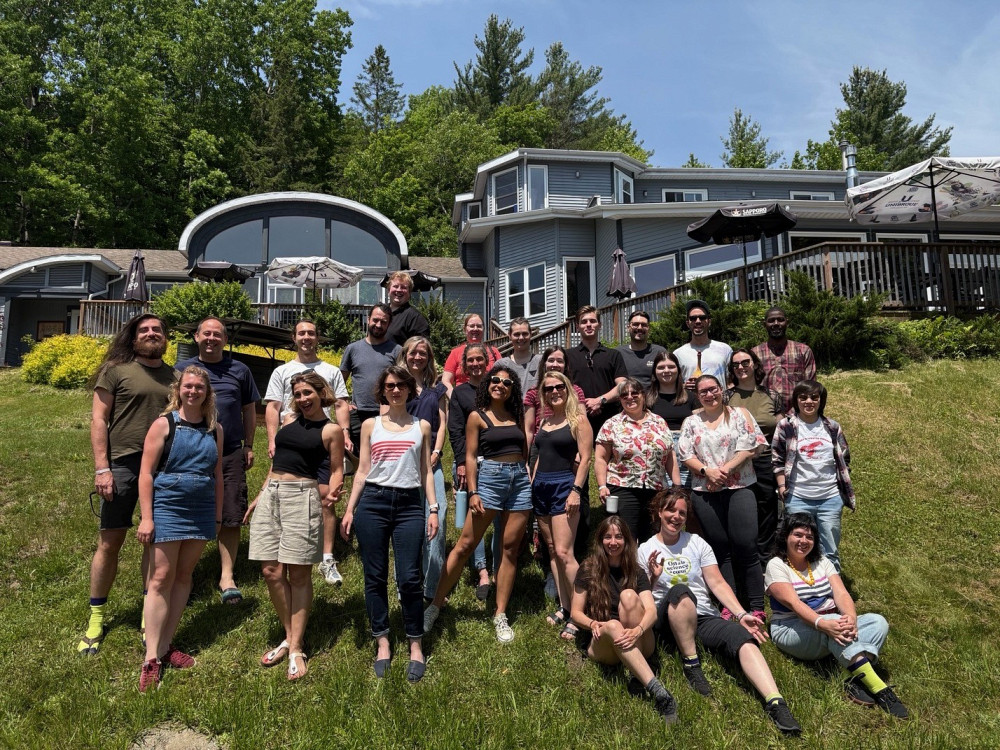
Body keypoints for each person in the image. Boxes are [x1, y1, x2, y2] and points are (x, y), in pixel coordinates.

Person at [638, 491, 802, 735]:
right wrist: (654, 577)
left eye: (682, 512)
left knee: (743, 639)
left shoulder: (696, 543)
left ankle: (775, 701)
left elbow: (717, 583)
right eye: (671, 510)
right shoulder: (645, 549)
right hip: (666, 620)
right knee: (680, 592)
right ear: (659, 512)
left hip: (702, 615)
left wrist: (740, 613)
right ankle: (692, 663)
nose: (676, 516)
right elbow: (643, 598)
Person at [78, 313, 175, 656]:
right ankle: (96, 615)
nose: (151, 334)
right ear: (133, 339)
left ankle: (149, 615)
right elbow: (99, 419)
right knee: (110, 542)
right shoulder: (116, 370)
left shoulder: (175, 378)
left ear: (165, 338)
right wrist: (102, 468)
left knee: (154, 543)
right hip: (121, 466)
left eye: (157, 330)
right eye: (144, 330)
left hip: (163, 469)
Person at [340, 366, 438, 682]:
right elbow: (362, 470)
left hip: (410, 504)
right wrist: (350, 509)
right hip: (374, 503)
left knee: (409, 577)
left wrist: (433, 509)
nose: (395, 390)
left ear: (410, 390)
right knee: (375, 575)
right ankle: (382, 640)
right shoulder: (370, 425)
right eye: (389, 385)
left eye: (401, 385)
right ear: (383, 390)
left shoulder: (421, 426)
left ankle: (415, 643)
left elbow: (425, 471)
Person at [246, 371, 344, 681]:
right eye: (298, 394)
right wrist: (260, 495)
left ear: (320, 393)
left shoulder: (331, 430)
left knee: (298, 572)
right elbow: (276, 463)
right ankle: (289, 636)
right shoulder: (288, 423)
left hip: (303, 496)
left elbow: (338, 469)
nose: (302, 399)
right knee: (271, 571)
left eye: (307, 393)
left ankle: (297, 647)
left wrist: (334, 492)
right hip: (272, 494)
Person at [424, 363, 532, 643]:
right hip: (490, 480)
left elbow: (524, 450)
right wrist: (473, 491)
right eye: (495, 380)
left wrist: (526, 474)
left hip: (519, 481)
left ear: (512, 390)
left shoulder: (516, 415)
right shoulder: (477, 415)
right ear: (487, 384)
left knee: (509, 548)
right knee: (465, 544)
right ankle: (436, 603)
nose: (500, 385)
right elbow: (470, 456)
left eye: (507, 383)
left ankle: (500, 614)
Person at [765, 514, 908, 718]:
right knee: (834, 622)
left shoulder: (822, 561)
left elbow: (841, 592)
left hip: (829, 624)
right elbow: (794, 604)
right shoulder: (776, 565)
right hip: (791, 629)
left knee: (878, 622)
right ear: (786, 536)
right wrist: (823, 623)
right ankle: (881, 690)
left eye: (809, 537)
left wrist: (850, 616)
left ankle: (850, 675)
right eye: (798, 535)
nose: (803, 541)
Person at [135, 366, 224, 691]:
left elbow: (217, 477)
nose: (193, 391)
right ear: (179, 389)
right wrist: (147, 517)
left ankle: (167, 645)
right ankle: (151, 658)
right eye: (188, 386)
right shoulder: (164, 424)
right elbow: (146, 473)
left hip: (201, 509)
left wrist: (216, 517)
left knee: (184, 577)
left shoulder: (215, 429)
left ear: (207, 392)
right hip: (168, 507)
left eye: (199, 387)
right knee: (160, 578)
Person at [176, 317, 259, 605]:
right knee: (187, 509)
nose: (211, 338)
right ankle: (184, 574)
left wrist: (249, 444)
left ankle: (226, 575)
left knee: (231, 511)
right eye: (206, 333)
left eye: (217, 334)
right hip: (189, 449)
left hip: (230, 451)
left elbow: (249, 409)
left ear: (225, 340)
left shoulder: (240, 370)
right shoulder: (180, 371)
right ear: (197, 337)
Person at [264, 319, 350, 587]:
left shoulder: (331, 370)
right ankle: (290, 547)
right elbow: (273, 406)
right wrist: (271, 439)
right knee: (289, 496)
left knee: (326, 498)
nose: (306, 337)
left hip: (323, 440)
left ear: (317, 338)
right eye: (301, 333)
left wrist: (344, 432)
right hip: (294, 441)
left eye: (311, 333)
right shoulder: (282, 371)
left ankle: (326, 557)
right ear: (294, 337)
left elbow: (341, 403)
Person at [570, 516, 678, 725]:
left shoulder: (636, 571)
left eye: (619, 537)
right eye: (608, 537)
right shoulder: (588, 568)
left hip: (636, 638)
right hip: (604, 641)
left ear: (627, 540)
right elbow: (575, 613)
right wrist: (593, 624)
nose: (613, 542)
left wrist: (637, 630)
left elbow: (651, 611)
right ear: (600, 540)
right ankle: (660, 693)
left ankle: (636, 669)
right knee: (612, 625)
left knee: (629, 596)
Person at [677, 375, 767, 620]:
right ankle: (730, 605)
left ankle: (757, 605)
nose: (709, 394)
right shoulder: (691, 421)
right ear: (697, 395)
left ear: (721, 390)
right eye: (703, 391)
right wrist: (708, 471)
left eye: (713, 389)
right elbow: (685, 455)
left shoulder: (740, 414)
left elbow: (753, 445)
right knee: (720, 550)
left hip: (740, 487)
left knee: (746, 545)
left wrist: (725, 469)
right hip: (705, 491)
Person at [531, 371, 593, 640]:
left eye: (559, 387)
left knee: (567, 554)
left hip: (563, 487)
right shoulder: (544, 421)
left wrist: (576, 491)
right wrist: (532, 483)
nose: (554, 392)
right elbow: (539, 456)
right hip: (541, 487)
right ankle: (564, 605)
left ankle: (581, 612)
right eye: (548, 389)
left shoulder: (578, 420)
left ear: (567, 389)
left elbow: (587, 458)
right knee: (553, 550)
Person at [771, 380, 855, 573]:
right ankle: (801, 591)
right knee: (797, 549)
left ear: (820, 400)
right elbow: (777, 458)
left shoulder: (832, 427)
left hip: (829, 499)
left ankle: (832, 594)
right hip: (798, 497)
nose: (808, 401)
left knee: (830, 551)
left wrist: (841, 482)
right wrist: (782, 487)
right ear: (796, 400)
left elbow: (844, 457)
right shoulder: (786, 426)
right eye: (803, 397)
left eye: (814, 397)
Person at [396, 336, 449, 601]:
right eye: (413, 353)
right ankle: (405, 585)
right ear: (405, 354)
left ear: (429, 359)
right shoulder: (395, 385)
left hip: (431, 464)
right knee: (408, 526)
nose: (418, 358)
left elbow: (442, 424)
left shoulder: (436, 390)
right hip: (402, 465)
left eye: (423, 354)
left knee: (437, 519)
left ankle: (432, 588)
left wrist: (437, 452)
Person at [595, 378, 679, 544]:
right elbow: (600, 458)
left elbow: (670, 456)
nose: (630, 397)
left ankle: (648, 570)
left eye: (635, 393)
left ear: (643, 395)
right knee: (625, 539)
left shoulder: (659, 421)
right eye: (624, 394)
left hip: (656, 489)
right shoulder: (612, 424)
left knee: (654, 539)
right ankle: (626, 571)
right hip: (622, 487)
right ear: (620, 399)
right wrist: (602, 486)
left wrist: (676, 487)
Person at [446, 343, 496, 598]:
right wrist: (462, 463)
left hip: (498, 460)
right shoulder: (460, 393)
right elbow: (454, 430)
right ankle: (482, 571)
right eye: (471, 360)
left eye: (480, 359)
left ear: (487, 362)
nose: (476, 364)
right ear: (465, 365)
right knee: (474, 519)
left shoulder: (497, 387)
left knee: (499, 517)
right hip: (471, 461)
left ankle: (498, 567)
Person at [725, 349, 782, 562]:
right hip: (736, 462)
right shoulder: (726, 397)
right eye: (735, 364)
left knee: (767, 508)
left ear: (754, 364)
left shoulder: (771, 395)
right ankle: (741, 555)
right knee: (739, 510)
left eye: (745, 362)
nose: (741, 367)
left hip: (765, 459)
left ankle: (765, 556)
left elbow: (780, 428)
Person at [340, 304, 401, 452]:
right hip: (358, 413)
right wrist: (345, 404)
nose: (378, 325)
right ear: (368, 319)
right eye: (375, 320)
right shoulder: (353, 349)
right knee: (359, 460)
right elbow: (340, 381)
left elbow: (402, 382)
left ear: (389, 324)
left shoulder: (397, 350)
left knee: (384, 458)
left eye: (384, 322)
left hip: (387, 413)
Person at [565, 305, 627, 437]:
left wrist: (600, 401)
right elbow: (563, 386)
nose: (588, 325)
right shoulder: (568, 356)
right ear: (577, 326)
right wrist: (584, 404)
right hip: (577, 420)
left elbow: (622, 385)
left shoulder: (613, 355)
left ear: (600, 325)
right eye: (584, 321)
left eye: (593, 321)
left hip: (610, 421)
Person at [752, 306, 817, 414]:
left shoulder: (803, 351)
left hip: (798, 415)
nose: (776, 323)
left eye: (780, 320)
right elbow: (749, 387)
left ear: (787, 322)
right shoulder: (755, 354)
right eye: (771, 321)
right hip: (764, 415)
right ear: (765, 324)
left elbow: (811, 387)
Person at [646, 350, 695, 487]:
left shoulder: (691, 397)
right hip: (657, 456)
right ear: (654, 372)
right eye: (661, 367)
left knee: (686, 497)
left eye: (671, 366)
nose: (666, 370)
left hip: (686, 456)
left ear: (678, 370)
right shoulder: (645, 397)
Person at [523, 346, 585, 447]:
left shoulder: (576, 391)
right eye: (551, 360)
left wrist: (579, 455)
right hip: (540, 446)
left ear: (565, 365)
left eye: (560, 361)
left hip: (568, 444)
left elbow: (582, 425)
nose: (555, 365)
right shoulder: (533, 392)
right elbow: (529, 430)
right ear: (544, 364)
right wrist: (525, 459)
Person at [672, 300, 732, 392]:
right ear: (688, 323)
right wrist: (684, 386)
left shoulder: (725, 349)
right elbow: (672, 385)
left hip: (719, 404)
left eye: (702, 317)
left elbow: (731, 382)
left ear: (709, 321)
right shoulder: (678, 354)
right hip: (691, 405)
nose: (698, 321)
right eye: (693, 318)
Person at [442, 313, 501, 393]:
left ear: (483, 329)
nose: (475, 329)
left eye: (479, 326)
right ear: (465, 329)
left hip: (488, 400)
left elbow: (502, 377)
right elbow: (446, 380)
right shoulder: (455, 353)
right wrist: (455, 398)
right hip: (463, 399)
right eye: (472, 326)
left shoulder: (494, 352)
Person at [616, 311, 666, 387]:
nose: (639, 328)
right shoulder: (618, 353)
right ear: (628, 327)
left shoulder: (659, 352)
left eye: (644, 325)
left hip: (653, 397)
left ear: (648, 328)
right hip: (627, 397)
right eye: (635, 324)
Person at [385, 271, 430, 346]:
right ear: (388, 290)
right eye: (395, 286)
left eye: (403, 287)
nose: (399, 290)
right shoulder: (382, 312)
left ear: (409, 293)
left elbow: (421, 348)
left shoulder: (416, 318)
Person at [496, 317, 541, 393]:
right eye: (516, 334)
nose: (521, 338)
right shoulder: (501, 365)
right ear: (510, 335)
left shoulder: (541, 362)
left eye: (525, 334)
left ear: (530, 334)